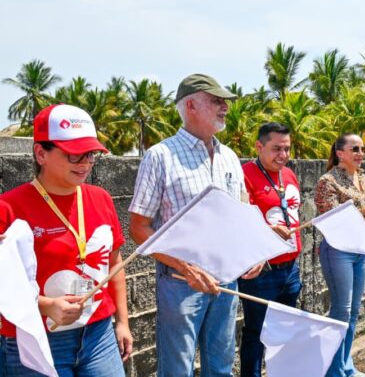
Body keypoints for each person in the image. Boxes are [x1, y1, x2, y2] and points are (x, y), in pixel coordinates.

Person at [128, 74, 251, 377]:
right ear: (192, 105)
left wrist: (252, 253)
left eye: (225, 101)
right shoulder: (160, 156)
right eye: (216, 101)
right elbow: (138, 228)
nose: (225, 107)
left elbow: (243, 211)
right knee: (177, 369)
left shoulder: (230, 158)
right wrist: (186, 268)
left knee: (221, 366)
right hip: (181, 283)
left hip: (226, 279)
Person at [0, 104, 132, 376]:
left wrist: (122, 321)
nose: (85, 163)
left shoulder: (101, 198)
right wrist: (46, 305)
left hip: (98, 336)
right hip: (36, 339)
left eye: (91, 154)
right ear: (41, 153)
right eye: (74, 155)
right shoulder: (8, 208)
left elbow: (115, 262)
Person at [314, 133, 365, 377]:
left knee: (353, 311)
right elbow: (330, 217)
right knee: (341, 311)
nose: (361, 153)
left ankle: (346, 366)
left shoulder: (364, 178)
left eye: (363, 149)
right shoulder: (328, 181)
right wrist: (363, 212)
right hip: (339, 251)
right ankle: (333, 371)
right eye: (355, 149)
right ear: (339, 153)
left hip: (361, 250)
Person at [238, 122, 303, 377]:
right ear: (259, 146)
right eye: (276, 149)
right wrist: (269, 229)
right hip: (262, 269)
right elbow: (241, 220)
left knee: (286, 330)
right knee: (256, 333)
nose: (283, 155)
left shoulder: (288, 174)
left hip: (290, 268)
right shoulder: (245, 174)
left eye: (287, 149)